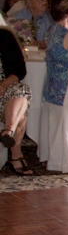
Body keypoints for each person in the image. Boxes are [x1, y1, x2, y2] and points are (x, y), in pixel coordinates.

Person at [0, 25, 33, 175]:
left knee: (22, 90)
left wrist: (4, 85)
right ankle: (15, 156)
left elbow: (19, 69)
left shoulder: (4, 36)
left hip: (5, 88)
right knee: (22, 114)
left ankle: (8, 130)